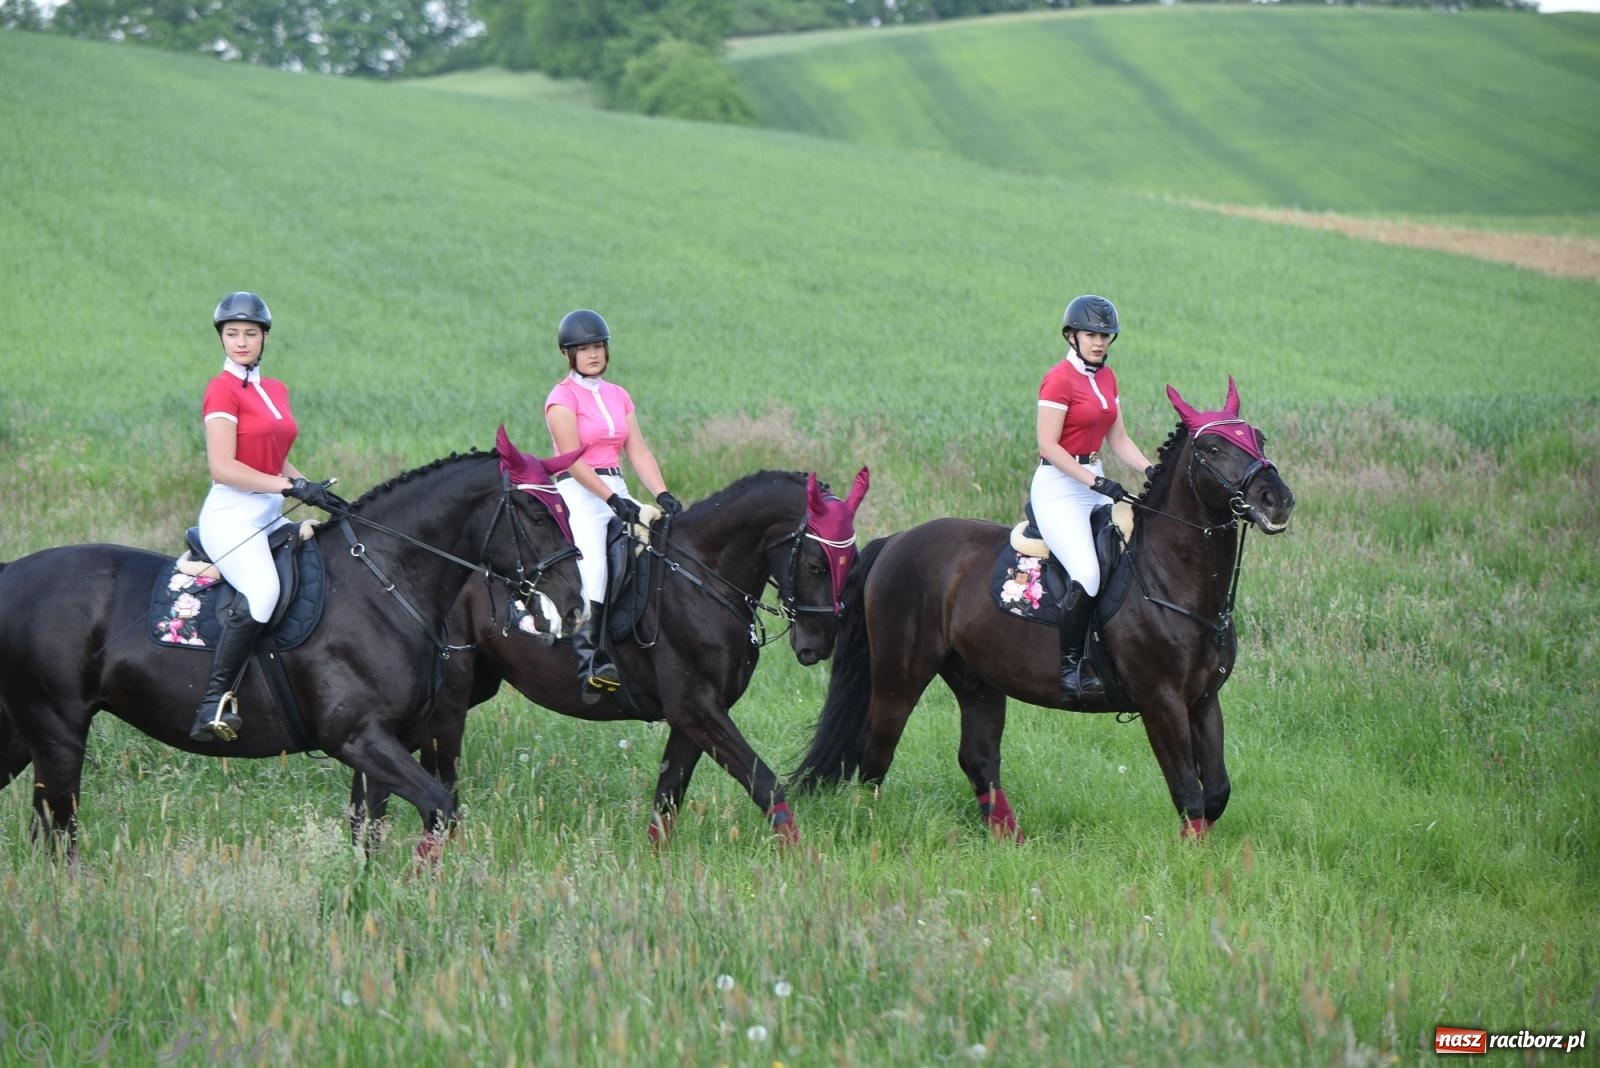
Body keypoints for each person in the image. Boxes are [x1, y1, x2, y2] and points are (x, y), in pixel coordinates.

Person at [189, 292, 341, 742]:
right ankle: (213, 702)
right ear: (222, 338)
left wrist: (310, 488)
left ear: (264, 338)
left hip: (270, 513)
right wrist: (290, 487)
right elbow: (224, 467)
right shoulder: (220, 389)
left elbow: (275, 459)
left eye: (249, 334)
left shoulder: (275, 390)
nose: (240, 342)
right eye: (232, 334)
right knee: (263, 591)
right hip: (231, 516)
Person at [544, 308, 682, 700]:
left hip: (616, 488)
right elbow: (572, 458)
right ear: (568, 354)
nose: (592, 354)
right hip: (578, 491)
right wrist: (610, 499)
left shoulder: (618, 395)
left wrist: (662, 494)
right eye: (582, 348)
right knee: (596, 565)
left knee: (661, 547)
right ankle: (590, 660)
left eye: (597, 347)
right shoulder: (561, 398)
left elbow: (637, 450)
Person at [1031, 294, 1156, 702]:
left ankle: (1115, 650)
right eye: (1090, 334)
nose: (1099, 342)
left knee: (1125, 557)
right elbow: (1048, 445)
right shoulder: (1058, 380)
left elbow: (1118, 440)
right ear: (1071, 336)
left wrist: (1151, 469)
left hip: (1091, 478)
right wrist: (1095, 482)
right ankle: (1068, 669)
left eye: (1105, 335)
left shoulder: (1107, 378)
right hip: (1058, 487)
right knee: (1086, 571)